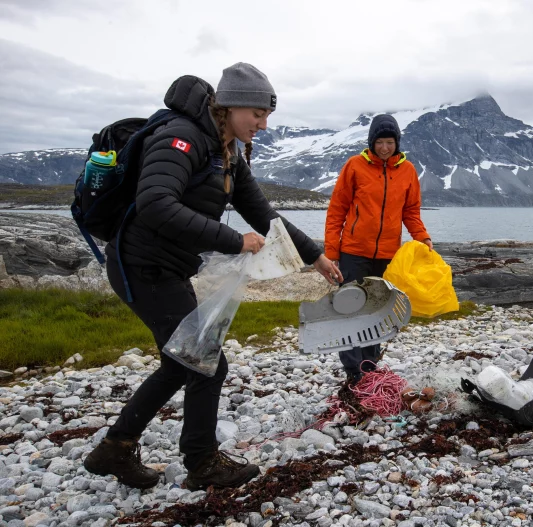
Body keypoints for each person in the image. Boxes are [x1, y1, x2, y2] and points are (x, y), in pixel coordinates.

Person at [83, 63, 343, 490]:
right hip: (141, 266)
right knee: (205, 362)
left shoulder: (227, 150)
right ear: (231, 104)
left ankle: (115, 449)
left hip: (168, 267)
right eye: (257, 114)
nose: (263, 124)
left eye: (267, 116)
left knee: (180, 362)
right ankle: (202, 462)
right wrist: (232, 240)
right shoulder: (180, 139)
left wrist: (316, 257)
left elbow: (265, 215)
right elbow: (156, 204)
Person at [324, 114, 432, 385]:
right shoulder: (355, 166)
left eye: (390, 142)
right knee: (350, 309)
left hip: (387, 255)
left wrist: (422, 237)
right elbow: (337, 210)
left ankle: (370, 367)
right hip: (353, 252)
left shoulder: (408, 171)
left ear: (397, 143)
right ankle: (353, 371)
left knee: (377, 312)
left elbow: (411, 211)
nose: (385, 148)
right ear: (371, 142)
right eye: (380, 142)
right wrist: (331, 250)